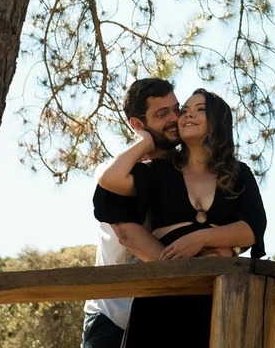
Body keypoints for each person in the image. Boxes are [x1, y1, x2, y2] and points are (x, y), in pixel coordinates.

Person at [97, 88, 267, 348]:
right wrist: (145, 141)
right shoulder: (158, 171)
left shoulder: (239, 173)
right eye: (185, 110)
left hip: (218, 294)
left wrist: (200, 239)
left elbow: (253, 228)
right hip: (162, 295)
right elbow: (110, 180)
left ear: (218, 119)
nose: (187, 115)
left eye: (200, 109)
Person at [81, 77, 182, 348]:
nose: (174, 118)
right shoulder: (115, 172)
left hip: (167, 317)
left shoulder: (188, 173)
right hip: (112, 319)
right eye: (162, 114)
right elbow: (127, 235)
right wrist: (145, 143)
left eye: (176, 109)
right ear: (137, 124)